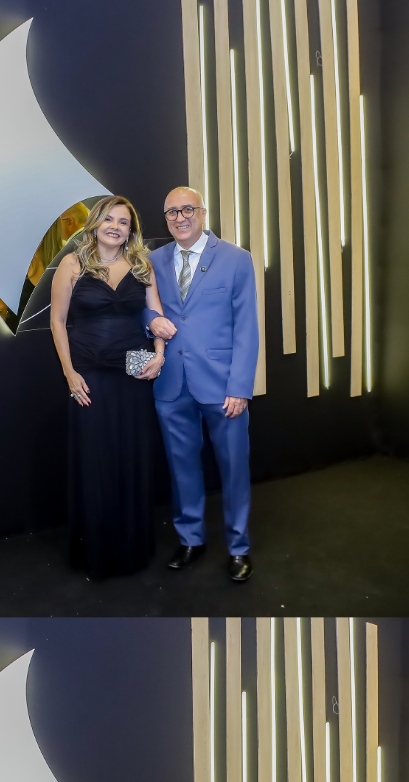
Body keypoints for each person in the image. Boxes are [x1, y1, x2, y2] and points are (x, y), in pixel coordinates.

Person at [144, 187, 260, 583]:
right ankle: (190, 539)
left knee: (234, 469)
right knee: (182, 467)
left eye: (187, 209)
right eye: (171, 212)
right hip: (171, 384)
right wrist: (151, 321)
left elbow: (247, 327)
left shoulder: (236, 259)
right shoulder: (153, 261)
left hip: (223, 386)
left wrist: (240, 387)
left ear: (203, 212)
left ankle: (239, 547)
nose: (180, 217)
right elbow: (142, 307)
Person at [50, 197, 168, 580]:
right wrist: (69, 373)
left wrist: (160, 354)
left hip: (134, 369)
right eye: (109, 219)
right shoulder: (73, 264)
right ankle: (97, 551)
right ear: (96, 224)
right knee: (96, 459)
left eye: (123, 222)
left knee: (132, 456)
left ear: (131, 230)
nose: (116, 227)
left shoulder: (141, 264)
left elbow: (155, 314)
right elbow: (57, 321)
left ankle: (131, 548)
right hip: (89, 371)